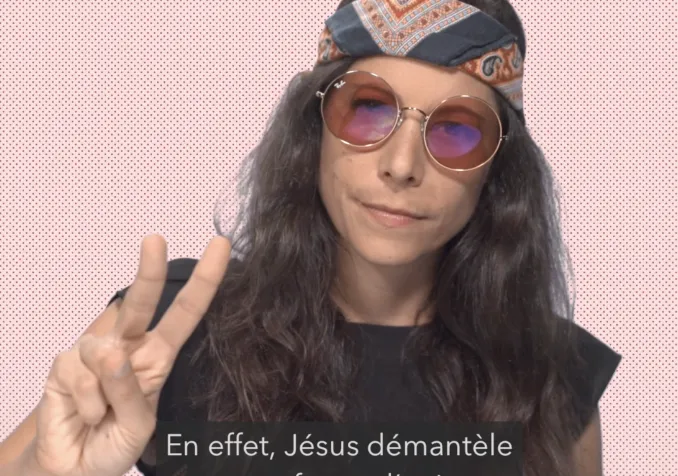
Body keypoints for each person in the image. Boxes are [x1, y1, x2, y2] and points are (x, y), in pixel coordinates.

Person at [0, 0, 621, 475]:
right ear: (314, 130)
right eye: (368, 110)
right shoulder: (168, 334)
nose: (402, 165)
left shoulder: (551, 374)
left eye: (457, 131)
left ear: (497, 171)